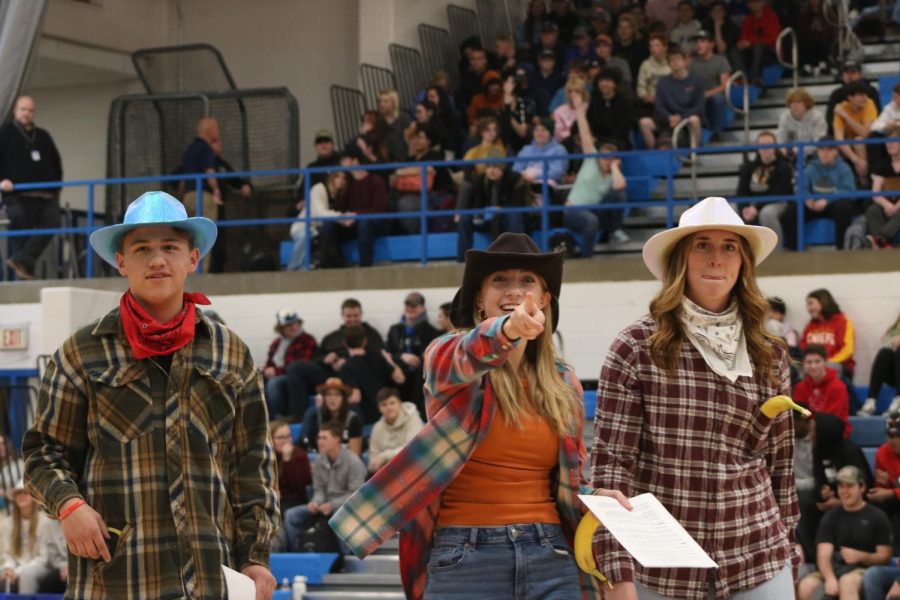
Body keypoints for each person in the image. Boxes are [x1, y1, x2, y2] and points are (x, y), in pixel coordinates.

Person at [331, 232, 629, 599]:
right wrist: (508, 331)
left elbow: (564, 482)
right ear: (479, 297)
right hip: (465, 556)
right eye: (500, 280)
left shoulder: (563, 381)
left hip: (550, 552)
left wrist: (595, 496)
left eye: (527, 281)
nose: (514, 291)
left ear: (546, 297)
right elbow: (468, 352)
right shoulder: (447, 354)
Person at [22, 190, 279, 599]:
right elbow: (43, 453)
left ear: (192, 259)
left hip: (211, 579)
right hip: (117, 579)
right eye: (142, 248)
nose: (157, 259)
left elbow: (252, 465)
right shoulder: (81, 352)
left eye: (170, 247)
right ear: (121, 261)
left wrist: (256, 554)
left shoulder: (230, 353)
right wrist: (69, 506)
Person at [591, 196, 799, 598]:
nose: (716, 259)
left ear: (743, 263)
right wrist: (616, 573)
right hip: (664, 569)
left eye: (729, 247)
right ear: (680, 259)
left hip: (759, 556)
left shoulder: (770, 353)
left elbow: (780, 465)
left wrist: (791, 550)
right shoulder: (635, 347)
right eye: (702, 245)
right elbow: (610, 468)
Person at [796, 465, 892, 600]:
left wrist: (861, 556)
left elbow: (885, 556)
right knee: (807, 585)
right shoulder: (830, 517)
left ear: (862, 487)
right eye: (841, 486)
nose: (844, 491)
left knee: (847, 582)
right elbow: (823, 554)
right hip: (835, 568)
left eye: (849, 486)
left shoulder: (877, 516)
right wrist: (829, 578)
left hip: (863, 569)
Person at [0, 95, 63, 280]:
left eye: (30, 110)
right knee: (21, 228)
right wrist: (2, 181)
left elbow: (56, 161)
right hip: (18, 195)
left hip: (46, 194)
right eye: (23, 109)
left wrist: (56, 185)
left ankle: (21, 262)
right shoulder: (5, 133)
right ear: (15, 110)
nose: (27, 114)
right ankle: (21, 275)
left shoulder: (42, 135)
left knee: (53, 224)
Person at [282, 422, 366, 553]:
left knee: (338, 514)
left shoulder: (353, 461)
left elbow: (355, 495)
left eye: (324, 438)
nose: (319, 441)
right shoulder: (320, 460)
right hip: (324, 505)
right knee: (291, 515)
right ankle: (296, 552)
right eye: (318, 438)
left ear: (337, 439)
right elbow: (319, 489)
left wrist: (332, 505)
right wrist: (315, 502)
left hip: (346, 506)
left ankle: (345, 557)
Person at [564, 93, 628, 258]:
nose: (604, 159)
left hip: (595, 210)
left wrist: (614, 167)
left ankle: (614, 230)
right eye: (603, 155)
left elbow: (620, 186)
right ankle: (587, 258)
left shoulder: (613, 174)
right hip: (573, 210)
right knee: (591, 221)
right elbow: (585, 133)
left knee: (619, 195)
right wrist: (579, 108)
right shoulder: (591, 160)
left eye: (609, 156)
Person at [780, 137, 857, 251]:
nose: (825, 153)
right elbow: (801, 187)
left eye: (829, 149)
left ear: (835, 151)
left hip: (833, 204)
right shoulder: (811, 167)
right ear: (818, 151)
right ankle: (794, 251)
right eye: (822, 149)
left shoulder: (844, 168)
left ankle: (842, 250)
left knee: (844, 208)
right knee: (791, 212)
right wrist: (808, 199)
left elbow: (849, 190)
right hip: (813, 204)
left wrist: (827, 200)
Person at [320, 151, 389, 267]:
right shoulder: (349, 183)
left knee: (364, 223)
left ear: (356, 161)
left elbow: (379, 208)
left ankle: (365, 266)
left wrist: (356, 215)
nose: (342, 163)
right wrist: (343, 217)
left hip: (375, 222)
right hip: (354, 222)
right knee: (328, 225)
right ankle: (336, 265)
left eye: (346, 159)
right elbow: (339, 208)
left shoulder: (375, 180)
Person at [0, 480, 67, 593]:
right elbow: (7, 554)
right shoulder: (7, 524)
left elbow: (45, 557)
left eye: (25, 493)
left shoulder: (45, 522)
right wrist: (9, 568)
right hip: (16, 566)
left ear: (33, 498)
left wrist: (18, 571)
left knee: (27, 575)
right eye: (18, 493)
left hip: (41, 566)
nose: (21, 496)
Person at [456, 162, 529, 261]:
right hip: (486, 217)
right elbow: (477, 205)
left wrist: (501, 209)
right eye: (488, 167)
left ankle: (518, 257)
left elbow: (519, 203)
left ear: (502, 168)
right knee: (465, 218)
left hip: (506, 217)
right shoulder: (480, 180)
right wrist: (486, 211)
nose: (491, 170)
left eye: (495, 166)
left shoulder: (514, 178)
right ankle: (463, 260)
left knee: (514, 215)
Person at [385, 292, 440, 417]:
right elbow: (387, 352)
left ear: (423, 308)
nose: (410, 308)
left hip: (418, 379)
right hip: (397, 374)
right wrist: (402, 357)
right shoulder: (395, 329)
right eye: (408, 304)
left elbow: (429, 356)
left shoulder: (431, 331)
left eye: (414, 305)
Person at [338, 325, 406, 425]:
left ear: (344, 343)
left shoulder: (346, 367)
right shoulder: (377, 356)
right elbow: (400, 379)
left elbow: (356, 398)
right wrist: (389, 360)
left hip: (368, 420)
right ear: (365, 341)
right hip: (389, 414)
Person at [736, 130, 795, 244]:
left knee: (767, 213)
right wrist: (744, 208)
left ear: (774, 147)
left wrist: (756, 208)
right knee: (731, 210)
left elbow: (778, 192)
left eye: (769, 144)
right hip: (751, 203)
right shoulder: (749, 167)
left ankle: (775, 253)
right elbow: (741, 191)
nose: (765, 148)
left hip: (777, 202)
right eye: (762, 145)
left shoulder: (783, 167)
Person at [643, 47, 705, 151]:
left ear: (685, 61)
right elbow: (659, 106)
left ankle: (694, 153)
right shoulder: (663, 82)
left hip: (687, 120)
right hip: (668, 120)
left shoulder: (697, 81)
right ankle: (653, 154)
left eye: (678, 59)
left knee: (695, 119)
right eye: (671, 60)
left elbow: (699, 107)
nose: (675, 62)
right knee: (644, 122)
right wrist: (669, 117)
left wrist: (681, 117)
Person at [288, 171, 351, 271]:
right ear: (331, 177)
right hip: (302, 226)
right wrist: (342, 217)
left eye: (344, 178)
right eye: (338, 176)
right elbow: (322, 214)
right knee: (306, 234)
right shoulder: (318, 189)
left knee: (324, 238)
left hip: (316, 230)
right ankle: (292, 268)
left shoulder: (336, 197)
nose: (341, 181)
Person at [263, 308, 318, 421]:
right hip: (277, 374)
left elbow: (299, 366)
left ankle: (278, 418)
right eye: (288, 325)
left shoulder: (307, 340)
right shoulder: (276, 343)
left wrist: (276, 372)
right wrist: (264, 370)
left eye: (295, 323)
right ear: (281, 328)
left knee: (274, 383)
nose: (293, 327)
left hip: (295, 378)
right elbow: (269, 363)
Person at [794, 344, 851, 438]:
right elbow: (800, 417)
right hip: (808, 433)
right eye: (809, 362)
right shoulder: (800, 387)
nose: (813, 366)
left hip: (834, 435)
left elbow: (832, 419)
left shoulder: (838, 387)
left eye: (817, 361)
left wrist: (811, 420)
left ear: (825, 362)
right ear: (804, 364)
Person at [801, 288, 856, 380]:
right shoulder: (810, 326)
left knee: (830, 368)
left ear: (823, 302)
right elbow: (804, 348)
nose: (808, 308)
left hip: (839, 365)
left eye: (811, 303)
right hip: (815, 365)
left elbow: (848, 350)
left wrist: (824, 363)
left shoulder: (842, 321)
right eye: (807, 305)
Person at [299, 377, 363, 456]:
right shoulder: (315, 416)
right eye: (329, 394)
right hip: (322, 461)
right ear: (324, 398)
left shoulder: (353, 419)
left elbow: (355, 454)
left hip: (347, 463)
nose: (332, 398)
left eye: (337, 394)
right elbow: (306, 443)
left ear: (344, 398)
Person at [367, 387, 425, 473]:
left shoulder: (413, 419)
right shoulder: (377, 428)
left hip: (413, 466)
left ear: (400, 403)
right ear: (379, 408)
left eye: (392, 403)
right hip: (387, 472)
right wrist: (375, 467)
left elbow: (412, 449)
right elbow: (373, 458)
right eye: (384, 404)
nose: (389, 408)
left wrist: (384, 456)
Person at [865, 412, 900, 553]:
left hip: (895, 497)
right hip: (895, 499)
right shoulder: (882, 453)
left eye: (899, 436)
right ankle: (873, 551)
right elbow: (883, 487)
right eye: (891, 436)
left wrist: (890, 492)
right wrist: (880, 485)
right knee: (873, 504)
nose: (895, 440)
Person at [689, 30, 731, 141]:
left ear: (711, 44)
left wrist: (707, 93)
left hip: (715, 94)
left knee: (718, 99)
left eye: (702, 41)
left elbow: (724, 85)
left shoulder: (720, 60)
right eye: (697, 42)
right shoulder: (692, 63)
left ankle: (717, 133)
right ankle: (704, 130)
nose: (698, 45)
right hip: (697, 94)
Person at [833, 81, 878, 182]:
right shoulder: (841, 108)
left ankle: (865, 181)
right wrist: (856, 160)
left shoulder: (869, 104)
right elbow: (839, 138)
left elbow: (865, 133)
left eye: (866, 95)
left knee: (859, 141)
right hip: (848, 145)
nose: (864, 98)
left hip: (869, 143)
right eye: (860, 95)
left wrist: (846, 116)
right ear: (850, 97)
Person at [866, 125, 900, 249]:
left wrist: (896, 206)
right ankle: (884, 245)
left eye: (893, 141)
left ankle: (881, 239)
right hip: (887, 204)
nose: (889, 145)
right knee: (872, 210)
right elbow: (876, 192)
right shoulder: (881, 165)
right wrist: (887, 205)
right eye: (887, 141)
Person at [859, 314, 900, 416]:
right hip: (895, 373)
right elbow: (885, 342)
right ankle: (871, 401)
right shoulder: (894, 328)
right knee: (884, 352)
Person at [512, 117, 569, 190]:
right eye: (536, 130)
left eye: (543, 130)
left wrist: (536, 175)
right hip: (525, 184)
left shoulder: (559, 150)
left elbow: (557, 173)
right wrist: (525, 175)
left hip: (549, 187)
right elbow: (516, 169)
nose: (539, 133)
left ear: (550, 133)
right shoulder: (526, 149)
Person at [826, 62, 881, 137]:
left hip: (867, 131)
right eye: (846, 73)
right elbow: (830, 118)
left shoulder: (871, 91)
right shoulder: (836, 94)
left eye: (853, 72)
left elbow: (877, 115)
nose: (850, 76)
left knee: (874, 135)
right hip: (843, 132)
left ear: (860, 74)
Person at [269, 419, 312, 512]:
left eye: (288, 436)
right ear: (271, 439)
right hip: (271, 497)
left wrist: (287, 461)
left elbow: (299, 487)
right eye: (280, 437)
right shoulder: (267, 456)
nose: (286, 441)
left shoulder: (300, 455)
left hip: (294, 499)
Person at [587, 67, 634, 151]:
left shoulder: (624, 102)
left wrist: (607, 141)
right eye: (601, 81)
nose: (604, 84)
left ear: (615, 83)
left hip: (618, 141)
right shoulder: (594, 102)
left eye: (608, 81)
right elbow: (589, 122)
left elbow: (623, 128)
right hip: (598, 140)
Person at [776, 87, 829, 161]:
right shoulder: (784, 118)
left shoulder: (817, 117)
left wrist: (799, 149)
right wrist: (784, 151)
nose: (795, 106)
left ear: (806, 103)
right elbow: (781, 141)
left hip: (813, 155)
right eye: (792, 103)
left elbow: (819, 143)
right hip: (791, 156)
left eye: (798, 102)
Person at [736, 0, 780, 84]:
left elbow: (773, 38)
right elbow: (743, 37)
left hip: (769, 52)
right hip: (751, 51)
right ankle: (741, 77)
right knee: (735, 49)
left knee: (758, 46)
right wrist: (741, 43)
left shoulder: (771, 16)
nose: (753, 4)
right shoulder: (748, 19)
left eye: (756, 1)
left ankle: (755, 78)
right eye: (750, 2)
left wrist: (751, 42)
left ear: (763, 2)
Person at [702, 0, 741, 71]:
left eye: (720, 10)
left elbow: (721, 49)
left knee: (724, 55)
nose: (717, 12)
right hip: (709, 53)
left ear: (725, 12)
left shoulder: (731, 26)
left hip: (727, 56)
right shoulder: (705, 25)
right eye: (714, 10)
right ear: (710, 13)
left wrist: (717, 28)